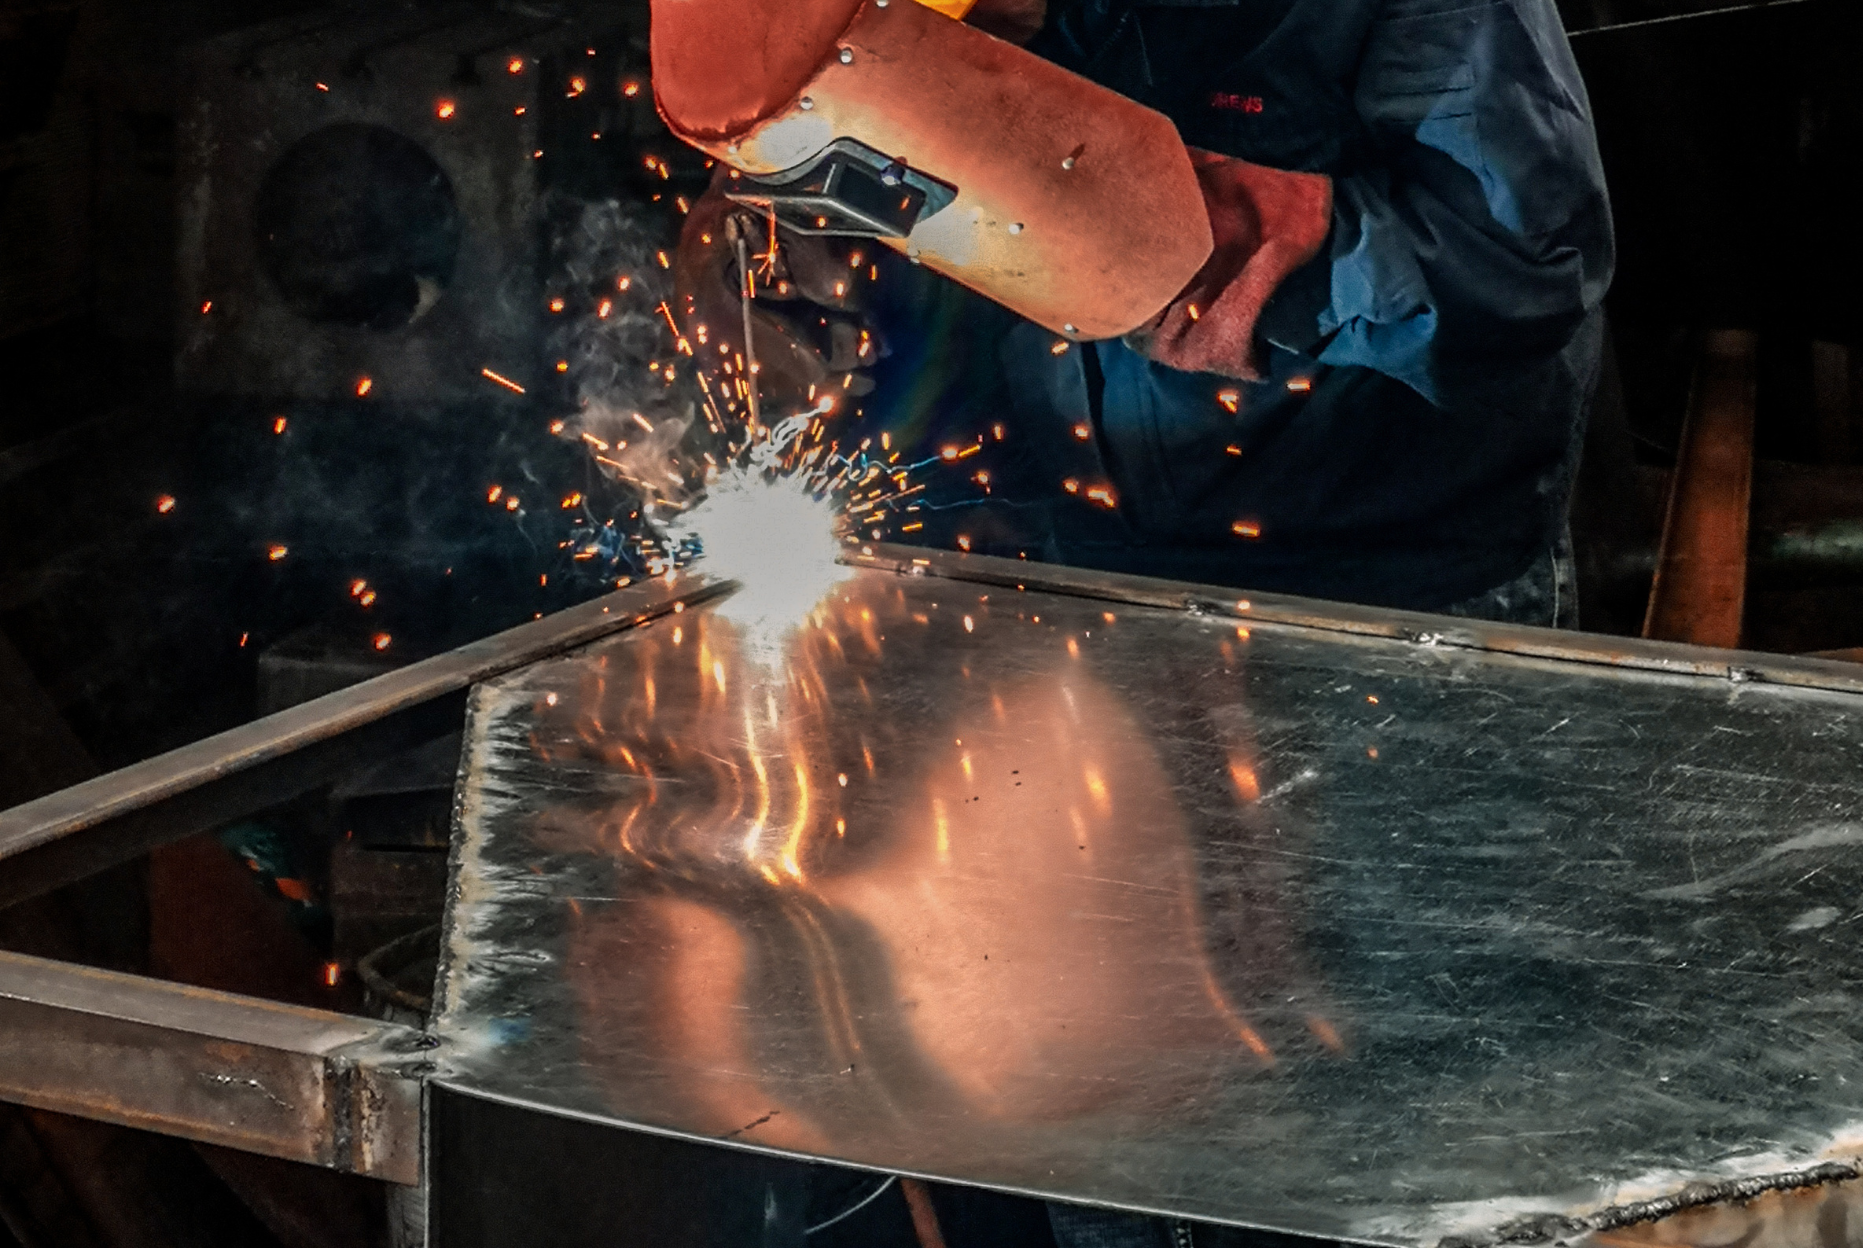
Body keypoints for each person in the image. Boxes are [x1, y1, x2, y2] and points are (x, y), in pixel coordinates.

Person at [668, 0, 1612, 631]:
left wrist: (1197, 246)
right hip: (1085, 568)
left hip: (1389, 585)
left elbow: (1524, 267)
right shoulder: (938, 18)